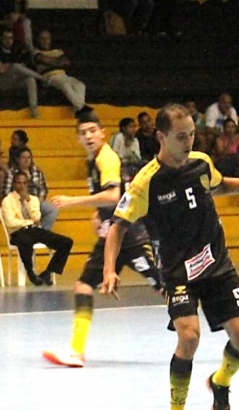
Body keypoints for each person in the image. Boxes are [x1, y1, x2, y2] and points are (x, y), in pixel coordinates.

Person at [101, 103, 239, 410]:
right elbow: (117, 228)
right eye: (180, 136)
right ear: (161, 137)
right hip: (178, 272)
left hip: (217, 263)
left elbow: (220, 186)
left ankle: (220, 382)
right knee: (188, 336)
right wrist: (109, 270)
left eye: (191, 133)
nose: (188, 141)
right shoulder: (146, 183)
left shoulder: (201, 162)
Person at [43, 110, 162, 368]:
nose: (88, 136)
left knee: (163, 286)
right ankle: (76, 353)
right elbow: (107, 201)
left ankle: (209, 315)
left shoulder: (106, 158)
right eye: (83, 133)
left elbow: (113, 196)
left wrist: (74, 201)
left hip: (126, 233)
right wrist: (98, 214)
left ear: (102, 132)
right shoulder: (93, 160)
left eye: (92, 131)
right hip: (112, 232)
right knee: (84, 287)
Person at [1, 171, 73, 285]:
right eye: (19, 183)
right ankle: (31, 272)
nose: (22, 186)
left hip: (34, 230)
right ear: (14, 184)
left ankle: (48, 271)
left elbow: (37, 217)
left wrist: (28, 201)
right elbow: (10, 222)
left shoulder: (33, 199)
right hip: (17, 232)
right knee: (25, 241)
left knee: (66, 242)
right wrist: (28, 222)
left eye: (24, 183)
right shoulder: (7, 201)